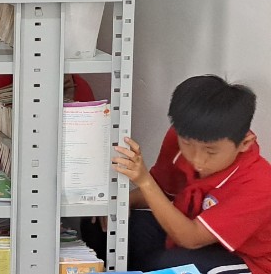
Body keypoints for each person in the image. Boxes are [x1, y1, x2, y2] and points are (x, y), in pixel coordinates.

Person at [96, 75, 271, 274]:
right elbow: (162, 190)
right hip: (194, 231)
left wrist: (144, 180)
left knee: (172, 265)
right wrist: (120, 203)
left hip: (251, 260)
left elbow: (191, 238)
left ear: (245, 143)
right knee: (112, 228)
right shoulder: (179, 137)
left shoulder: (260, 185)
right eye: (187, 144)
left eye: (210, 151)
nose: (197, 159)